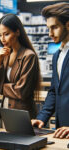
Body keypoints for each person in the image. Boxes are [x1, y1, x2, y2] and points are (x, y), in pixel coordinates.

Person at [31, 2, 69, 139]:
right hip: (61, 131)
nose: (50, 33)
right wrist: (42, 117)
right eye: (48, 28)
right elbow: (54, 91)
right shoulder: (57, 55)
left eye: (54, 27)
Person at [0, 13, 41, 119]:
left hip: (22, 113)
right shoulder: (5, 55)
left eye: (6, 34)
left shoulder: (29, 56)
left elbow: (21, 91)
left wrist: (2, 87)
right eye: (0, 35)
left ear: (17, 32)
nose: (2, 39)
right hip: (5, 109)